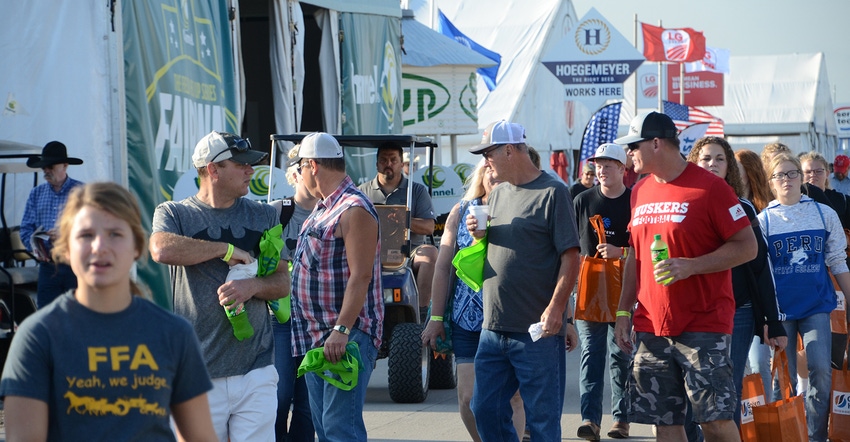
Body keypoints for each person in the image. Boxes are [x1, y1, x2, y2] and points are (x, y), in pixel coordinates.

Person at [1, 182, 216, 441]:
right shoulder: (37, 337)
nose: (100, 246)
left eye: (115, 233)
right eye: (86, 235)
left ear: (137, 246)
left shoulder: (174, 333)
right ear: (66, 249)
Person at [612, 111, 757, 442]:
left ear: (656, 144)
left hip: (703, 324)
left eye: (633, 146)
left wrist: (692, 265)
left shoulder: (711, 188)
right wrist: (624, 310)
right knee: (665, 424)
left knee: (715, 422)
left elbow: (747, 247)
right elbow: (635, 253)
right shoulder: (639, 191)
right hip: (651, 326)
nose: (629, 154)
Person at [150, 131, 286, 441]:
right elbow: (160, 250)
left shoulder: (264, 214)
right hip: (196, 374)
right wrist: (224, 249)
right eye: (241, 165)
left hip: (257, 369)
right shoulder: (174, 213)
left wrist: (250, 287)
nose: (251, 171)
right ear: (213, 169)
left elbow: (282, 281)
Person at [466, 120, 580, 441]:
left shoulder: (553, 192)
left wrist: (559, 310)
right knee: (484, 409)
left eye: (489, 153)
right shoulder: (499, 193)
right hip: (493, 328)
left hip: (536, 332)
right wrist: (479, 234)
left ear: (509, 150)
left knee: (542, 422)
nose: (486, 160)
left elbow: (571, 257)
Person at [421, 159, 526, 441]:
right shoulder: (463, 210)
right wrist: (436, 318)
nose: (494, 174)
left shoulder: (522, 208)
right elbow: (443, 267)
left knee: (512, 396)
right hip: (468, 318)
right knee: (468, 397)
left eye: (499, 168)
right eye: (488, 169)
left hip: (509, 316)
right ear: (481, 174)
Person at [288, 132, 383, 442]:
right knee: (328, 431)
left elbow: (361, 277)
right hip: (319, 336)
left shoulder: (353, 208)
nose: (298, 174)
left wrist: (341, 330)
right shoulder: (324, 206)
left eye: (300, 166)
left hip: (344, 335)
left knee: (342, 430)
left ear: (312, 165)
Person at [687, 137, 787, 429]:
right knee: (694, 384)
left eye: (720, 158)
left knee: (728, 386)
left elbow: (760, 266)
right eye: (706, 158)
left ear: (729, 165)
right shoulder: (681, 202)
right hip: (694, 308)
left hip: (738, 310)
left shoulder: (742, 206)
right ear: (695, 161)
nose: (713, 164)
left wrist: (773, 319)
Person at [759, 152, 850, 442]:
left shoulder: (824, 214)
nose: (786, 180)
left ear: (801, 177)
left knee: (821, 370)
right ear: (771, 183)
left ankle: (815, 436)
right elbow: (760, 274)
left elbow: (838, 260)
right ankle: (787, 435)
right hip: (780, 311)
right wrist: (765, 316)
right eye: (779, 175)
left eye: (792, 173)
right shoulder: (764, 222)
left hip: (816, 306)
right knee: (782, 378)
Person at [572, 143, 632, 441]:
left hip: (626, 290)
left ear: (623, 168)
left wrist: (619, 251)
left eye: (609, 164)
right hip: (590, 288)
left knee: (621, 355)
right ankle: (589, 420)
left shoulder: (635, 201)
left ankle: (621, 419)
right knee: (591, 355)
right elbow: (571, 246)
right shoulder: (582, 200)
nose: (602, 170)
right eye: (598, 164)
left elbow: (649, 247)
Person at [270, 145, 318, 442]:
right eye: (307, 169)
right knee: (279, 394)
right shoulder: (277, 211)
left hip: (316, 317)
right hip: (281, 317)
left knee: (308, 403)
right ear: (296, 173)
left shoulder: (333, 213)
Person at [358, 142, 437, 321]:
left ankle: (423, 313)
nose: (389, 164)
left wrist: (404, 220)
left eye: (393, 160)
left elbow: (428, 227)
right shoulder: (362, 192)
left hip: (409, 250)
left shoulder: (416, 191)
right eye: (384, 160)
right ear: (377, 164)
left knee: (430, 254)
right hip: (373, 250)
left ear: (402, 163)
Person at [736, 148, 783, 401]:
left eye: (736, 168)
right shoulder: (728, 203)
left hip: (765, 297)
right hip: (744, 296)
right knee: (740, 370)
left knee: (758, 364)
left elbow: (763, 263)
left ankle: (764, 421)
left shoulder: (763, 211)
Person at [20, 141, 85, 308]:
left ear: (65, 165)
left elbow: (92, 229)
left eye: (50, 166)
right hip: (48, 266)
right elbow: (26, 229)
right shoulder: (37, 193)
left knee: (78, 316)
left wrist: (67, 236)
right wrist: (37, 245)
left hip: (75, 266)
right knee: (46, 318)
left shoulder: (83, 193)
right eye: (44, 167)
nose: (46, 170)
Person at [800, 151, 850, 370]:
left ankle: (838, 393)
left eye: (818, 171)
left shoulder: (842, 200)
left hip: (838, 275)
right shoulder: (795, 204)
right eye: (807, 171)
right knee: (808, 345)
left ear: (827, 172)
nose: (813, 175)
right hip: (807, 278)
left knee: (838, 339)